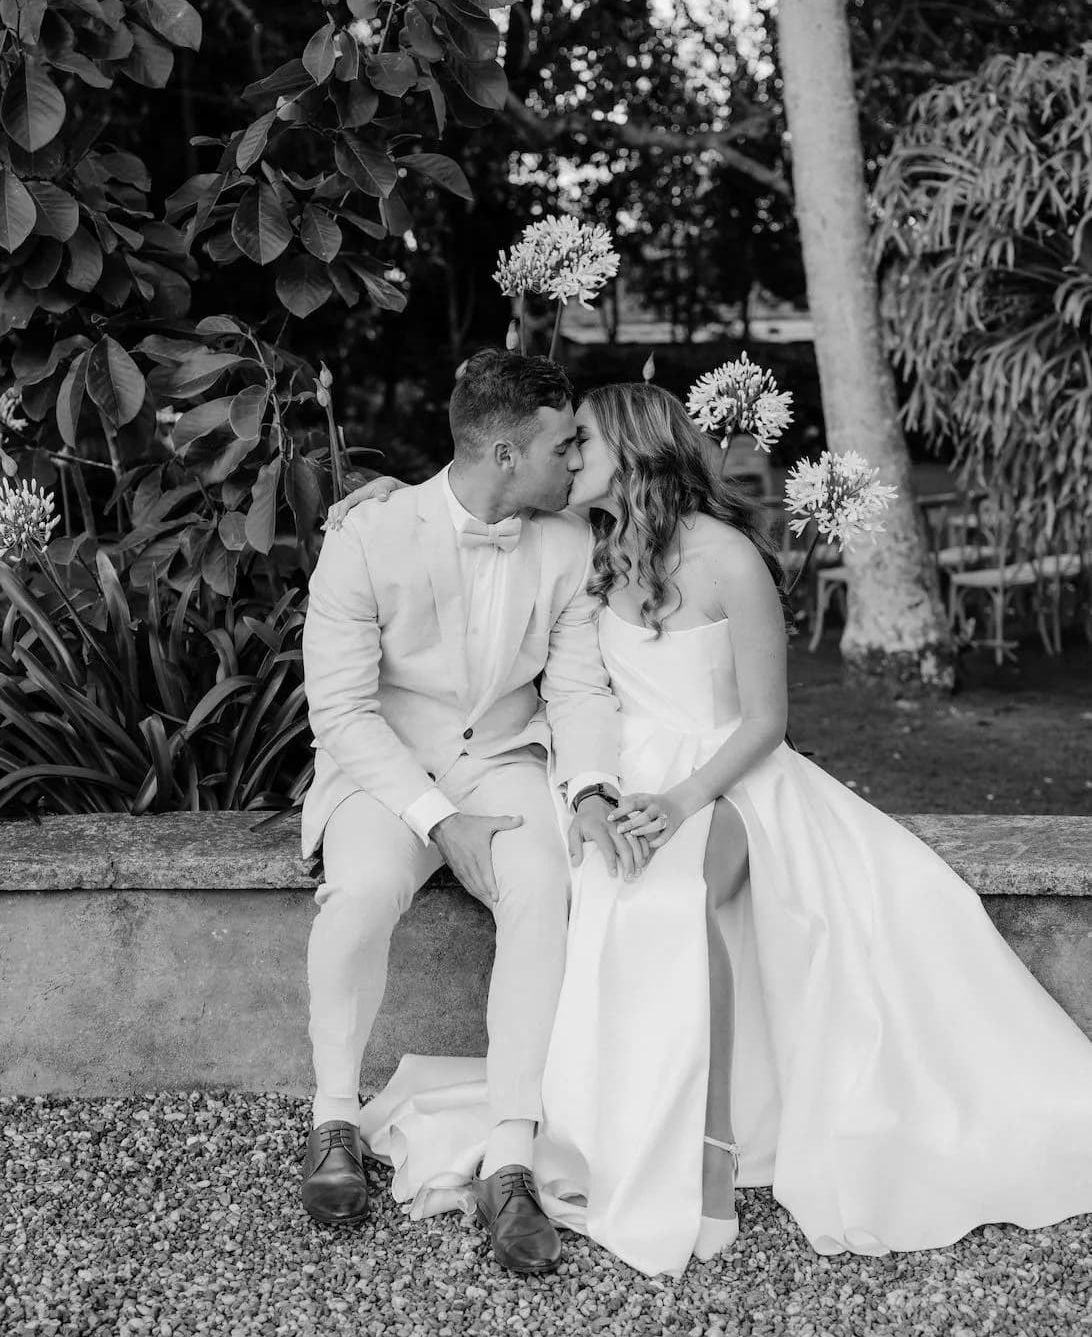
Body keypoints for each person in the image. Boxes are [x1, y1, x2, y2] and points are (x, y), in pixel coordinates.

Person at [331, 381, 1092, 1278]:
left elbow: (766, 722)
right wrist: (377, 495)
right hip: (618, 776)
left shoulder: (730, 558)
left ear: (636, 452)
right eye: (563, 446)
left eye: (583, 444)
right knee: (597, 884)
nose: (568, 460)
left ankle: (708, 1158)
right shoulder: (589, 547)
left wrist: (685, 801)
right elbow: (476, 488)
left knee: (674, 896)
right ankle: (586, 1121)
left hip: (731, 781)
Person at [299, 350, 624, 1277]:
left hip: (504, 762)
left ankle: (512, 1157)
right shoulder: (367, 534)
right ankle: (331, 1119)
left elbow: (579, 688)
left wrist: (592, 787)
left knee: (543, 885)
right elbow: (345, 713)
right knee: (359, 892)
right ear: (505, 452)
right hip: (384, 773)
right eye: (565, 444)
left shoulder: (567, 545)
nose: (577, 460)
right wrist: (441, 821)